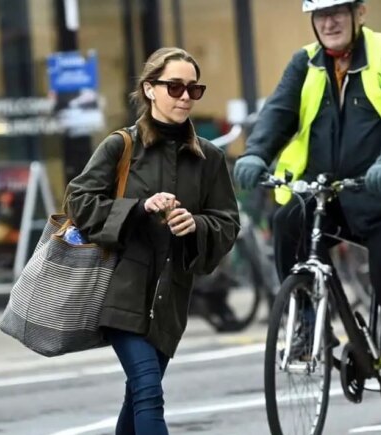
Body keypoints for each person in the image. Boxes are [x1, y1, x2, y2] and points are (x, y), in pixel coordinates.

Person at [63, 47, 240, 435]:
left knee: (138, 395)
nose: (184, 97)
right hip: (121, 292)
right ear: (149, 89)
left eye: (194, 89)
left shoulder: (209, 158)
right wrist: (139, 208)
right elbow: (79, 201)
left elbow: (227, 223)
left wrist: (194, 224)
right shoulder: (120, 146)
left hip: (171, 299)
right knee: (148, 392)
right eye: (174, 86)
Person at [234, 0, 381, 355]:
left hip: (376, 196)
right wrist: (256, 152)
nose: (328, 23)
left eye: (336, 13)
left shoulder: (380, 53)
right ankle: (308, 319)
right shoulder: (306, 62)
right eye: (320, 15)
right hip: (325, 194)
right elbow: (278, 111)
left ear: (358, 14)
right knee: (288, 224)